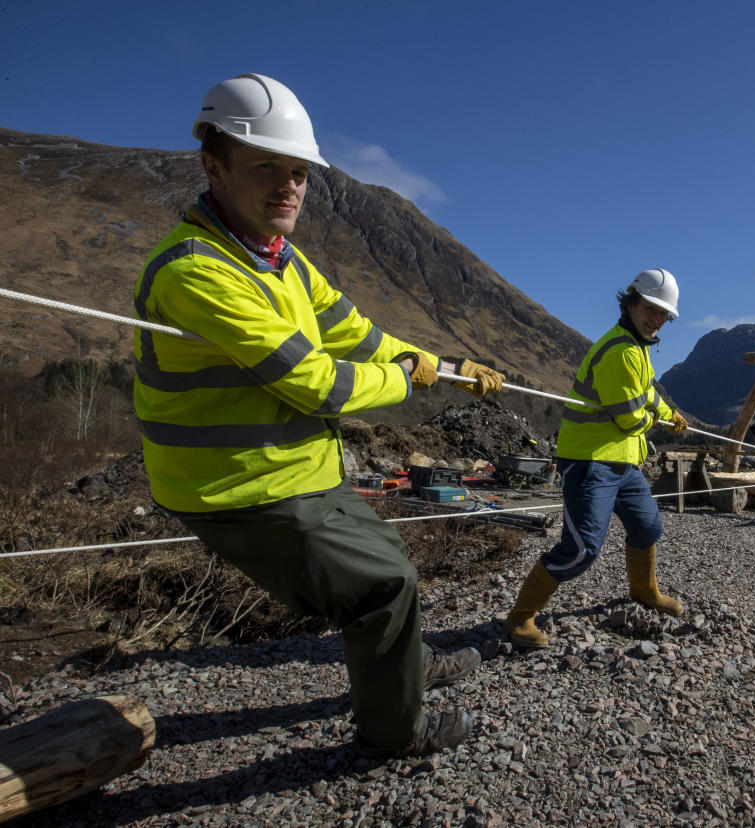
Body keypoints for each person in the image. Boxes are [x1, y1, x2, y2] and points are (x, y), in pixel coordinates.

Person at [133, 74, 506, 759]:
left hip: (296, 471)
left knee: (385, 564)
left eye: (299, 172)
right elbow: (318, 386)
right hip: (236, 487)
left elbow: (360, 337)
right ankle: (398, 731)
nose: (288, 187)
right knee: (384, 584)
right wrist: (402, 382)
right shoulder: (196, 273)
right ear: (212, 166)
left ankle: (406, 667)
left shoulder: (286, 263)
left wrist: (443, 365)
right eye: (266, 168)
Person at [503, 268, 690, 648]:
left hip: (622, 462)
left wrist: (670, 414)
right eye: (651, 309)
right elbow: (629, 418)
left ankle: (645, 591)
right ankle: (519, 617)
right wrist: (655, 418)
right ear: (632, 302)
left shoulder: (636, 347)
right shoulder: (620, 352)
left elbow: (646, 394)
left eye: (663, 315)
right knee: (582, 549)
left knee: (647, 527)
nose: (656, 320)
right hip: (589, 461)